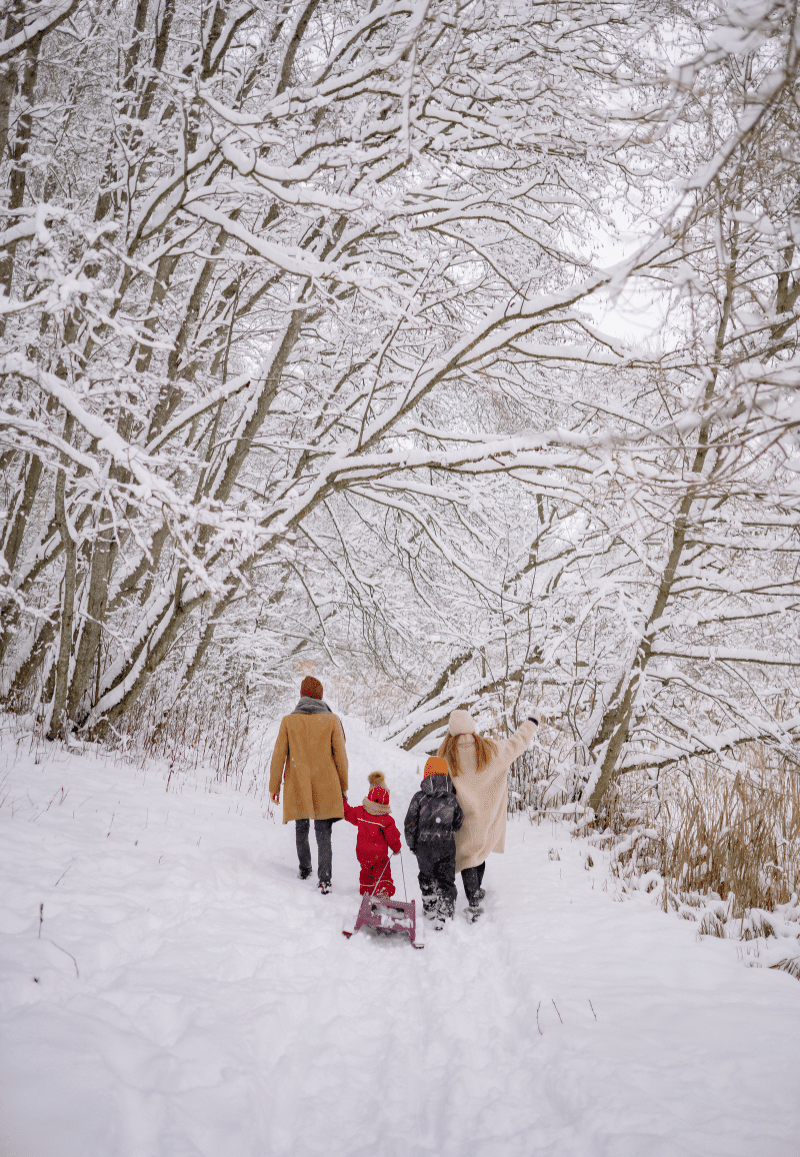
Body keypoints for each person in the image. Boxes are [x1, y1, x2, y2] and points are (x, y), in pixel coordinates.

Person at [438, 707, 540, 920]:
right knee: (479, 853)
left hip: (461, 818)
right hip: (485, 818)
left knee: (468, 856)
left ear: (451, 731)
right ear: (472, 727)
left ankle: (473, 896)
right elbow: (517, 742)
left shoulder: (446, 754)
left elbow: (436, 783)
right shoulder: (490, 749)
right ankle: (474, 898)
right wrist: (532, 721)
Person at [269, 676, 348, 894]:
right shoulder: (331, 720)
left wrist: (274, 786)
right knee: (323, 831)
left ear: (301, 696)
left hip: (298, 782)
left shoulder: (289, 721)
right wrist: (343, 786)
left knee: (301, 826)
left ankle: (305, 869)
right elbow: (341, 756)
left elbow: (278, 756)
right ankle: (325, 879)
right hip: (326, 782)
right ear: (321, 696)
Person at [404, 756, 464, 925]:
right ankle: (445, 910)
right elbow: (459, 819)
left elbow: (409, 823)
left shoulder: (419, 798)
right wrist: (450, 829)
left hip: (424, 847)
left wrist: (412, 844)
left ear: (426, 775)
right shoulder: (451, 799)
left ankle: (430, 907)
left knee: (426, 876)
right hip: (446, 845)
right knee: (446, 878)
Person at [342, 772, 402, 897]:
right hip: (378, 855)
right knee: (382, 872)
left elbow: (347, 812)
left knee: (366, 872)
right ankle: (383, 891)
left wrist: (342, 799)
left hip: (362, 854)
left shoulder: (361, 812)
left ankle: (367, 891)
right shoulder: (386, 820)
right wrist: (396, 848)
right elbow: (393, 838)